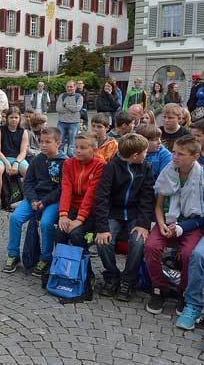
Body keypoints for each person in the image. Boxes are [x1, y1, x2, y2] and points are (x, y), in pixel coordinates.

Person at [144, 135, 203, 315]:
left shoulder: (201, 179)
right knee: (151, 246)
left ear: (196, 156)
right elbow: (159, 205)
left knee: (188, 254)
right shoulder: (168, 171)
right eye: (174, 152)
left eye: (181, 154)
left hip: (191, 224)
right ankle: (158, 288)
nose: (175, 157)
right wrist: (161, 224)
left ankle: (182, 292)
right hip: (168, 220)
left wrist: (181, 228)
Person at [92, 134, 154, 301]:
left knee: (138, 241)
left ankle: (128, 280)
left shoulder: (146, 167)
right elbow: (101, 198)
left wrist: (143, 224)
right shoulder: (111, 167)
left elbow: (148, 198)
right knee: (103, 241)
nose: (146, 155)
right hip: (114, 213)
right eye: (145, 152)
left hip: (135, 214)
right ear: (135, 155)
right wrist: (102, 228)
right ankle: (112, 276)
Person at [4, 127, 67, 276]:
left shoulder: (65, 162)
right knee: (15, 218)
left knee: (46, 223)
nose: (43, 145)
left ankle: (45, 258)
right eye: (41, 142)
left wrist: (44, 202)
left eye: (48, 142)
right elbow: (28, 182)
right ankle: (13, 254)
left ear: (58, 143)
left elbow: (62, 188)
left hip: (52, 201)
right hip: (34, 199)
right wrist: (32, 199)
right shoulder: (37, 160)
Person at [55, 133, 105, 250]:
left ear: (94, 150)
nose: (77, 151)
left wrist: (79, 219)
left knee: (76, 234)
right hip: (73, 207)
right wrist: (63, 215)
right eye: (76, 147)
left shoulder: (100, 165)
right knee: (60, 232)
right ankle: (60, 265)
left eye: (83, 148)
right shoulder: (68, 163)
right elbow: (66, 190)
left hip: (91, 210)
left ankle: (84, 266)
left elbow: (91, 194)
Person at [0, 107, 29, 212]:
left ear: (19, 119)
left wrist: (16, 163)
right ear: (7, 118)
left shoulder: (23, 132)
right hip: (2, 157)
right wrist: (7, 163)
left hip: (18, 158)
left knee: (27, 171)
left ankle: (26, 199)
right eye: (11, 117)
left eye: (16, 117)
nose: (14, 120)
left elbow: (23, 152)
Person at [56, 81, 84, 157]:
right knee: (60, 142)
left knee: (72, 143)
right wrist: (71, 108)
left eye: (71, 86)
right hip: (62, 122)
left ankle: (71, 158)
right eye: (67, 86)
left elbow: (77, 109)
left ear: (75, 87)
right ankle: (60, 158)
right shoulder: (62, 96)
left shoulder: (79, 97)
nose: (69, 88)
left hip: (74, 123)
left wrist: (66, 105)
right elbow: (58, 108)